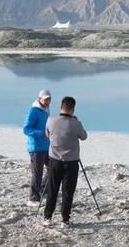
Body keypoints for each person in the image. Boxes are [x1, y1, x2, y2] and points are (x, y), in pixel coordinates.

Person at [43, 96, 87, 229]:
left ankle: (47, 218)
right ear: (73, 109)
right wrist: (77, 122)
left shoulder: (51, 120)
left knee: (52, 188)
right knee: (68, 191)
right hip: (71, 162)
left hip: (54, 160)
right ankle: (65, 220)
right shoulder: (75, 123)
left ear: (61, 107)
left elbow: (47, 134)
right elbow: (84, 136)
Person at [22, 89, 51, 207]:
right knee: (37, 173)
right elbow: (26, 129)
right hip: (35, 147)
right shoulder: (33, 111)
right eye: (45, 99)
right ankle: (33, 198)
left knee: (53, 167)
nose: (48, 101)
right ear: (39, 99)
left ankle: (43, 190)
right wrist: (42, 133)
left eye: (49, 99)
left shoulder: (46, 111)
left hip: (46, 146)